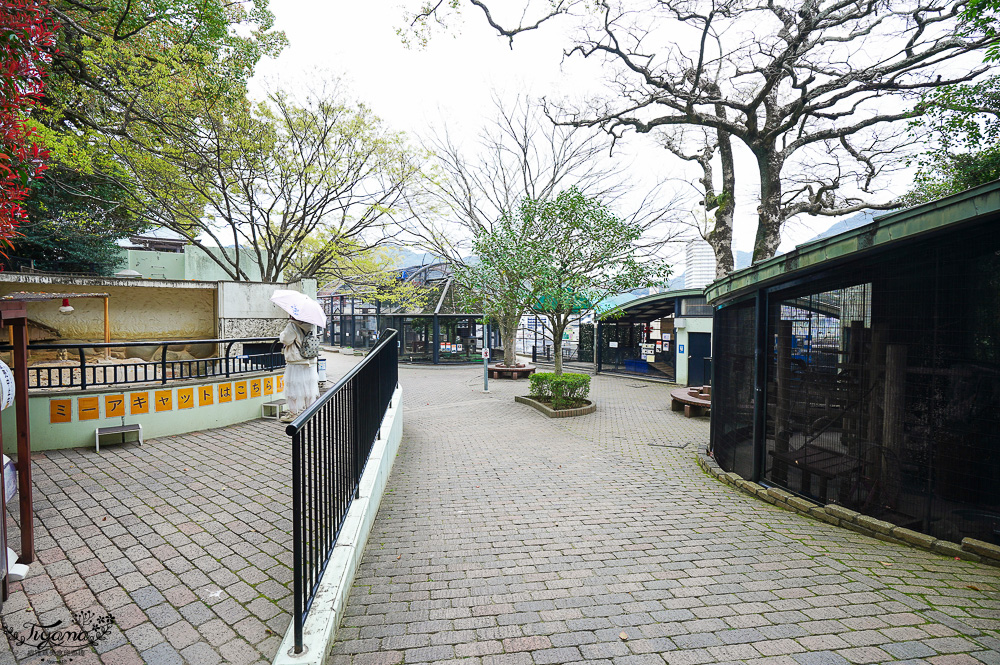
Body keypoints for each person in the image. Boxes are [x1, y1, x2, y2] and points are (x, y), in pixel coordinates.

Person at [279, 317, 319, 423]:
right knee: (309, 388)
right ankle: (310, 412)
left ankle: (293, 414)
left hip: (296, 361)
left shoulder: (292, 325)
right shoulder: (312, 324)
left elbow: (286, 340)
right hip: (310, 360)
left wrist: (282, 334)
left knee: (292, 388)